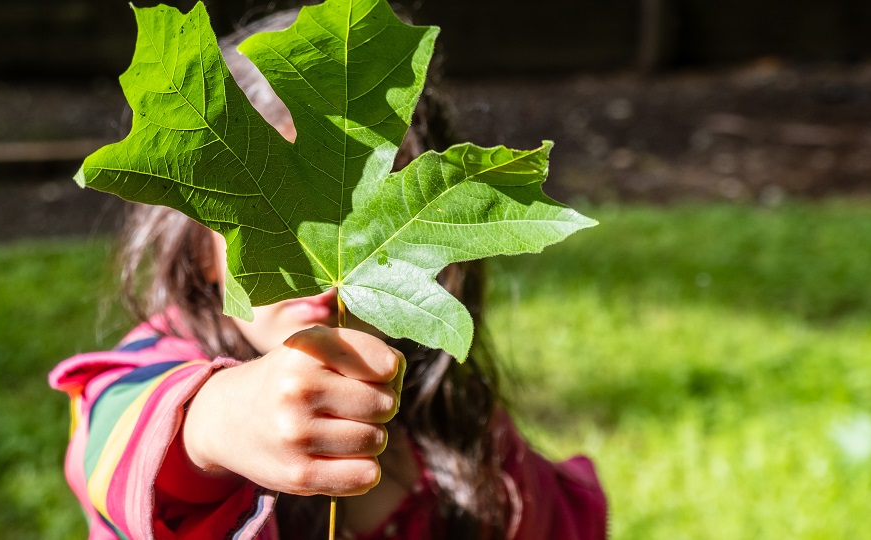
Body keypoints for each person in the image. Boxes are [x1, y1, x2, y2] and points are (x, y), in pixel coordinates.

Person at [50, 10, 606, 540]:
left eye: (363, 222)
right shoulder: (154, 368)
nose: (320, 271)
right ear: (200, 252)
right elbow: (116, 441)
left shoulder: (456, 421)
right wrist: (220, 423)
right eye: (278, 222)